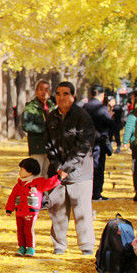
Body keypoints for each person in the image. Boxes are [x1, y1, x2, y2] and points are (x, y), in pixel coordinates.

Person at [45, 81, 97, 256]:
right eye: (58, 93)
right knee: (57, 210)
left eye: (66, 93)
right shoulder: (51, 117)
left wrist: (67, 168)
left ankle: (86, 245)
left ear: (73, 96)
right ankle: (59, 245)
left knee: (82, 210)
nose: (61, 97)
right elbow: (48, 144)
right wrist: (58, 167)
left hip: (80, 173)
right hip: (57, 172)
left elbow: (84, 146)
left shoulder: (82, 117)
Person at [4, 158, 60, 256]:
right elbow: (12, 197)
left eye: (22, 169)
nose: (20, 171)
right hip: (19, 212)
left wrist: (59, 178)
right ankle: (21, 247)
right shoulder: (19, 184)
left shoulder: (38, 182)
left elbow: (49, 184)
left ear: (30, 171)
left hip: (31, 212)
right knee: (20, 230)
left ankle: (30, 248)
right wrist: (9, 209)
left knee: (28, 229)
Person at [83, 86, 117, 201]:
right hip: (99, 141)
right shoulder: (101, 108)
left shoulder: (85, 106)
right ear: (102, 95)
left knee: (88, 166)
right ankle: (97, 192)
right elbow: (110, 123)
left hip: (86, 141)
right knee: (98, 166)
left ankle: (88, 191)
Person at [21, 80, 52, 177]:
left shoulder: (52, 106)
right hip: (37, 147)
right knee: (36, 175)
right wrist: (43, 129)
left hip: (51, 148)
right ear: (36, 91)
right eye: (41, 89)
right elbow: (26, 125)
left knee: (47, 175)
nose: (44, 92)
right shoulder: (30, 107)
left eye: (46, 90)